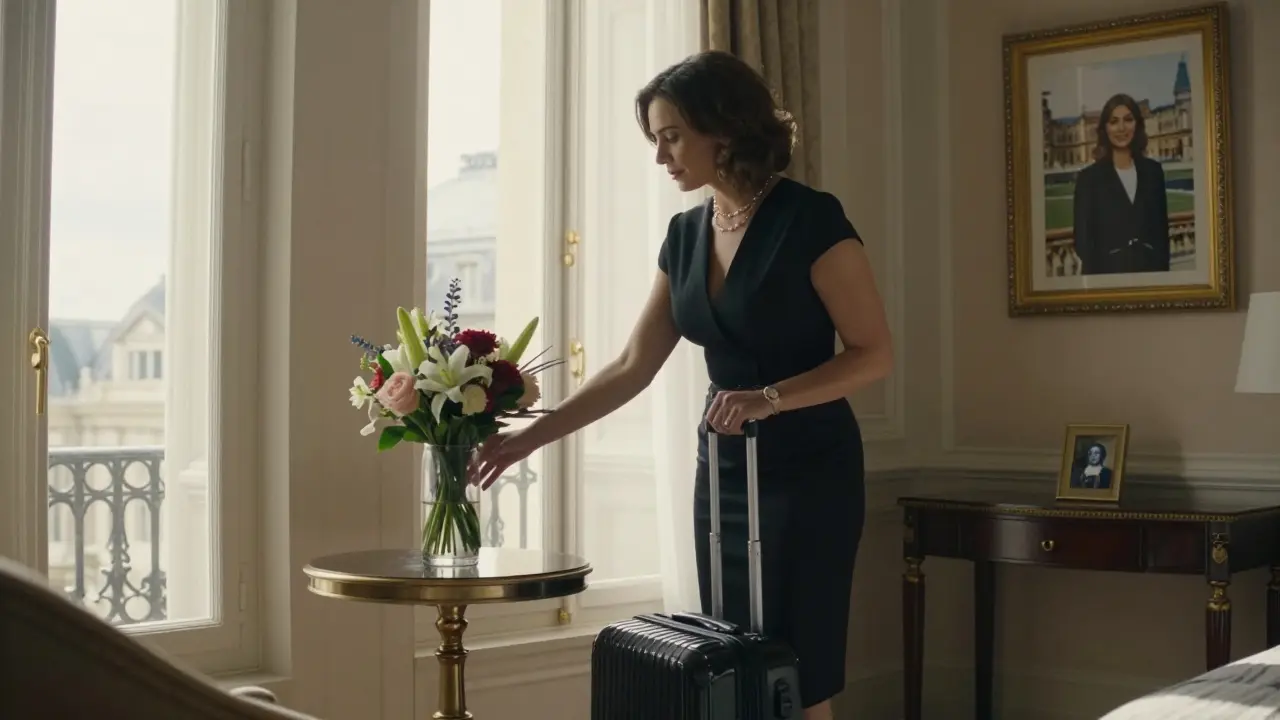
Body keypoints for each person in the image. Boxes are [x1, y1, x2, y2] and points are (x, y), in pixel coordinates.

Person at [469, 50, 893, 720]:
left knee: (800, 669)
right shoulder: (685, 233)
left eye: (671, 136)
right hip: (723, 470)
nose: (662, 157)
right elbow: (632, 365)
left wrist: (771, 397)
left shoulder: (811, 219)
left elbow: (874, 355)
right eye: (654, 140)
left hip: (810, 469)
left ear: (721, 128)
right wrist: (529, 439)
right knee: (729, 658)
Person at [1071, 92, 1171, 275]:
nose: (1121, 128)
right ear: (1105, 128)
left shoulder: (1154, 172)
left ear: (1137, 125)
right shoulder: (1088, 179)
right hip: (1107, 282)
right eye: (1114, 121)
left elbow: (1162, 237)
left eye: (1128, 119)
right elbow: (1083, 244)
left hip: (1149, 280)